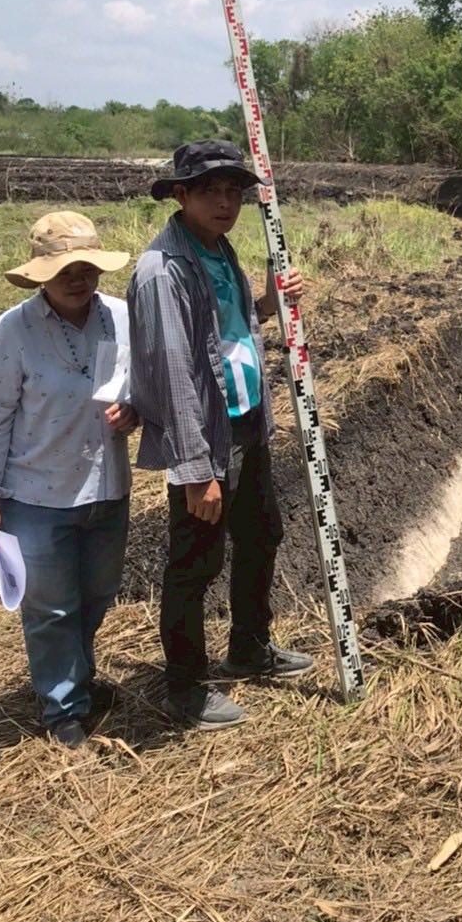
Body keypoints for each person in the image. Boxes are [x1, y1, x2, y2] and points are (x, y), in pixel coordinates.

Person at [127, 139, 311, 731]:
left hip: (247, 422)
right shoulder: (163, 271)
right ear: (181, 195)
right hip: (207, 437)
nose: (226, 202)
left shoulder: (218, 249)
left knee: (262, 534)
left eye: (234, 192)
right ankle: (184, 688)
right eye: (211, 191)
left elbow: (229, 329)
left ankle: (249, 647)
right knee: (195, 562)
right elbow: (173, 374)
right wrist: (195, 470)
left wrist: (272, 301)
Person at [0, 212, 138, 750]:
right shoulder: (13, 329)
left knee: (97, 594)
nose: (77, 278)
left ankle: (76, 676)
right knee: (51, 607)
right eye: (64, 269)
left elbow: (137, 387)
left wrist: (134, 412)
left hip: (107, 485)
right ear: (41, 274)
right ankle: (62, 707)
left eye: (86, 267)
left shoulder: (121, 316)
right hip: (35, 493)